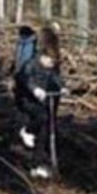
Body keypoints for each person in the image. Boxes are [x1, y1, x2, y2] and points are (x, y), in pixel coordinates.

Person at [15, 51, 63, 179]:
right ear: (44, 57)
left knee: (43, 134)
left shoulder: (51, 69)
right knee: (42, 117)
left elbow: (56, 79)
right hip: (27, 101)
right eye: (51, 61)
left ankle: (35, 165)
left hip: (43, 101)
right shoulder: (30, 65)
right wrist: (34, 89)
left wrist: (61, 87)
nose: (52, 65)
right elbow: (26, 79)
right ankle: (27, 130)